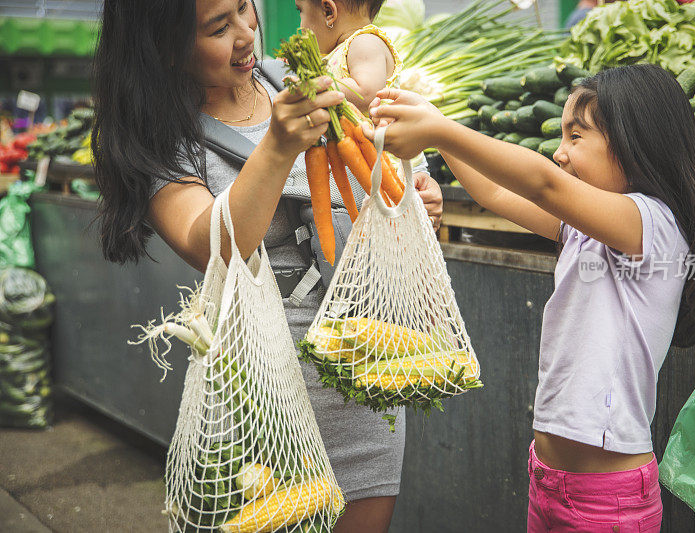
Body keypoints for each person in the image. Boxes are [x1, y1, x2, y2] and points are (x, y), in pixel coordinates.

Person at [91, 1, 442, 532]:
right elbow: (205, 242)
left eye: (243, 8)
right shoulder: (162, 138)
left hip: (360, 365)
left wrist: (412, 200)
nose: (245, 32)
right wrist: (276, 148)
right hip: (262, 392)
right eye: (217, 27)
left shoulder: (307, 82)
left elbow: (368, 199)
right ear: (165, 46)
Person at [367, 63, 695, 531]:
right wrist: (435, 131)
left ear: (636, 142)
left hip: (606, 500)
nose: (560, 153)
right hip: (547, 478)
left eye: (576, 136)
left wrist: (443, 130)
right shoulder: (583, 230)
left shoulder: (653, 225)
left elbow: (543, 183)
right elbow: (495, 190)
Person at [295, 0, 399, 115]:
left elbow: (366, 93)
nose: (300, 27)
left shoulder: (365, 42)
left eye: (300, 10)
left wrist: (310, 86)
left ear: (328, 12)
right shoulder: (339, 51)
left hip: (371, 132)